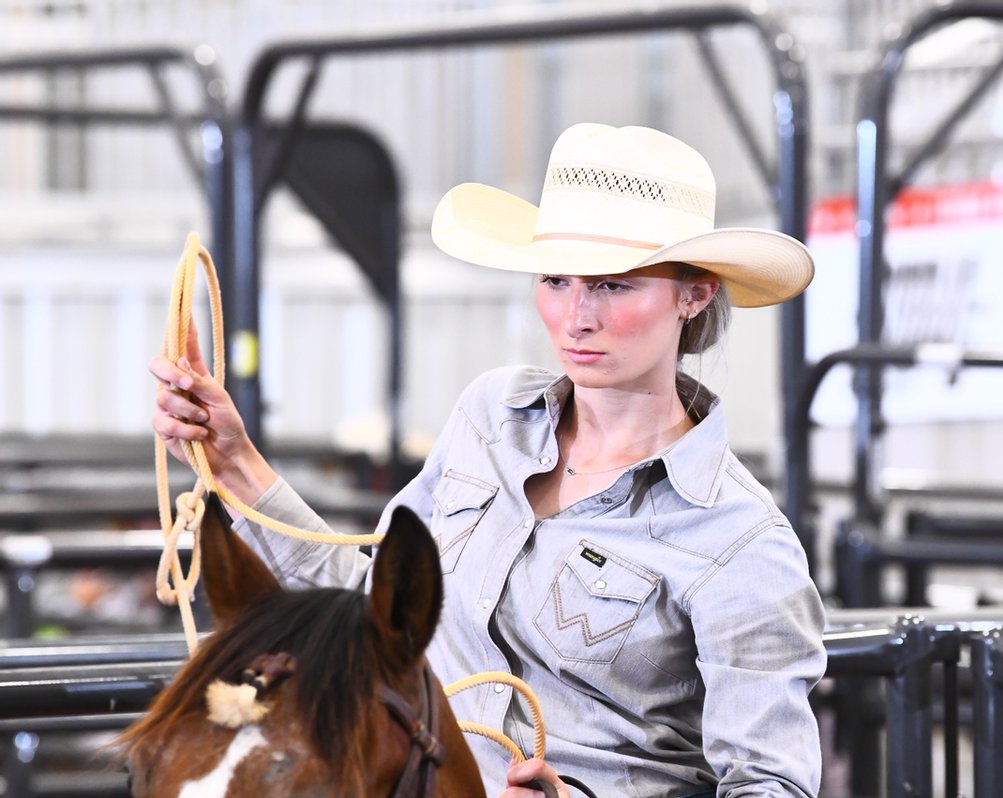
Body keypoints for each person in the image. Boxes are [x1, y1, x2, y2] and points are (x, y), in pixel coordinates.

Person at [150, 122, 827, 797]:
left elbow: (773, 787)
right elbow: (378, 610)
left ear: (695, 292)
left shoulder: (739, 542)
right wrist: (233, 459)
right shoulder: (491, 415)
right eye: (556, 279)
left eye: (614, 285)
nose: (574, 317)